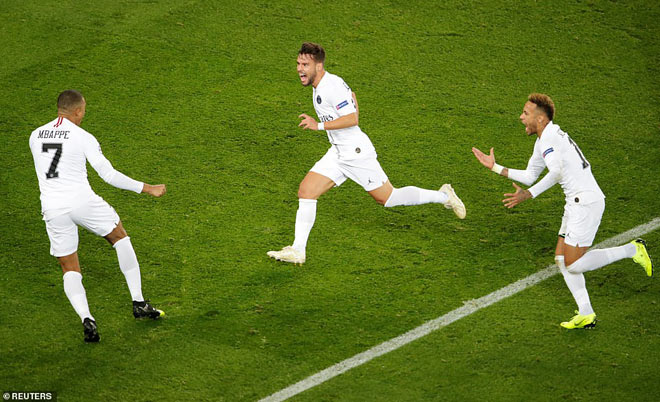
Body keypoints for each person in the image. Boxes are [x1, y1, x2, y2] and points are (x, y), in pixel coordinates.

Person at [267, 42, 466, 265]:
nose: (299, 69)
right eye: (298, 63)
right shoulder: (322, 84)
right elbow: (352, 101)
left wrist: (318, 126)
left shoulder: (330, 87)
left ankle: (444, 196)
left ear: (319, 66)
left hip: (356, 153)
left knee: (388, 198)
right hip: (338, 152)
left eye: (305, 65)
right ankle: (298, 250)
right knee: (306, 191)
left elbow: (352, 118)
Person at [472, 93, 653, 329]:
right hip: (576, 202)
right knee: (561, 259)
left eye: (525, 113)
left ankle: (632, 249)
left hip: (585, 204)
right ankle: (586, 313)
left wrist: (529, 194)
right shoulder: (544, 139)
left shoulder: (549, 139)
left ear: (540, 119)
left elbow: (556, 172)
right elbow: (530, 175)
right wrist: (495, 167)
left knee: (573, 264)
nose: (521, 117)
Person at [29, 90, 167, 342]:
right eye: (83, 111)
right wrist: (148, 188)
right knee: (119, 237)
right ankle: (138, 303)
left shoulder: (35, 135)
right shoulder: (83, 137)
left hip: (52, 207)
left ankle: (87, 319)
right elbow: (108, 175)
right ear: (78, 111)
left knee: (69, 267)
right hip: (82, 202)